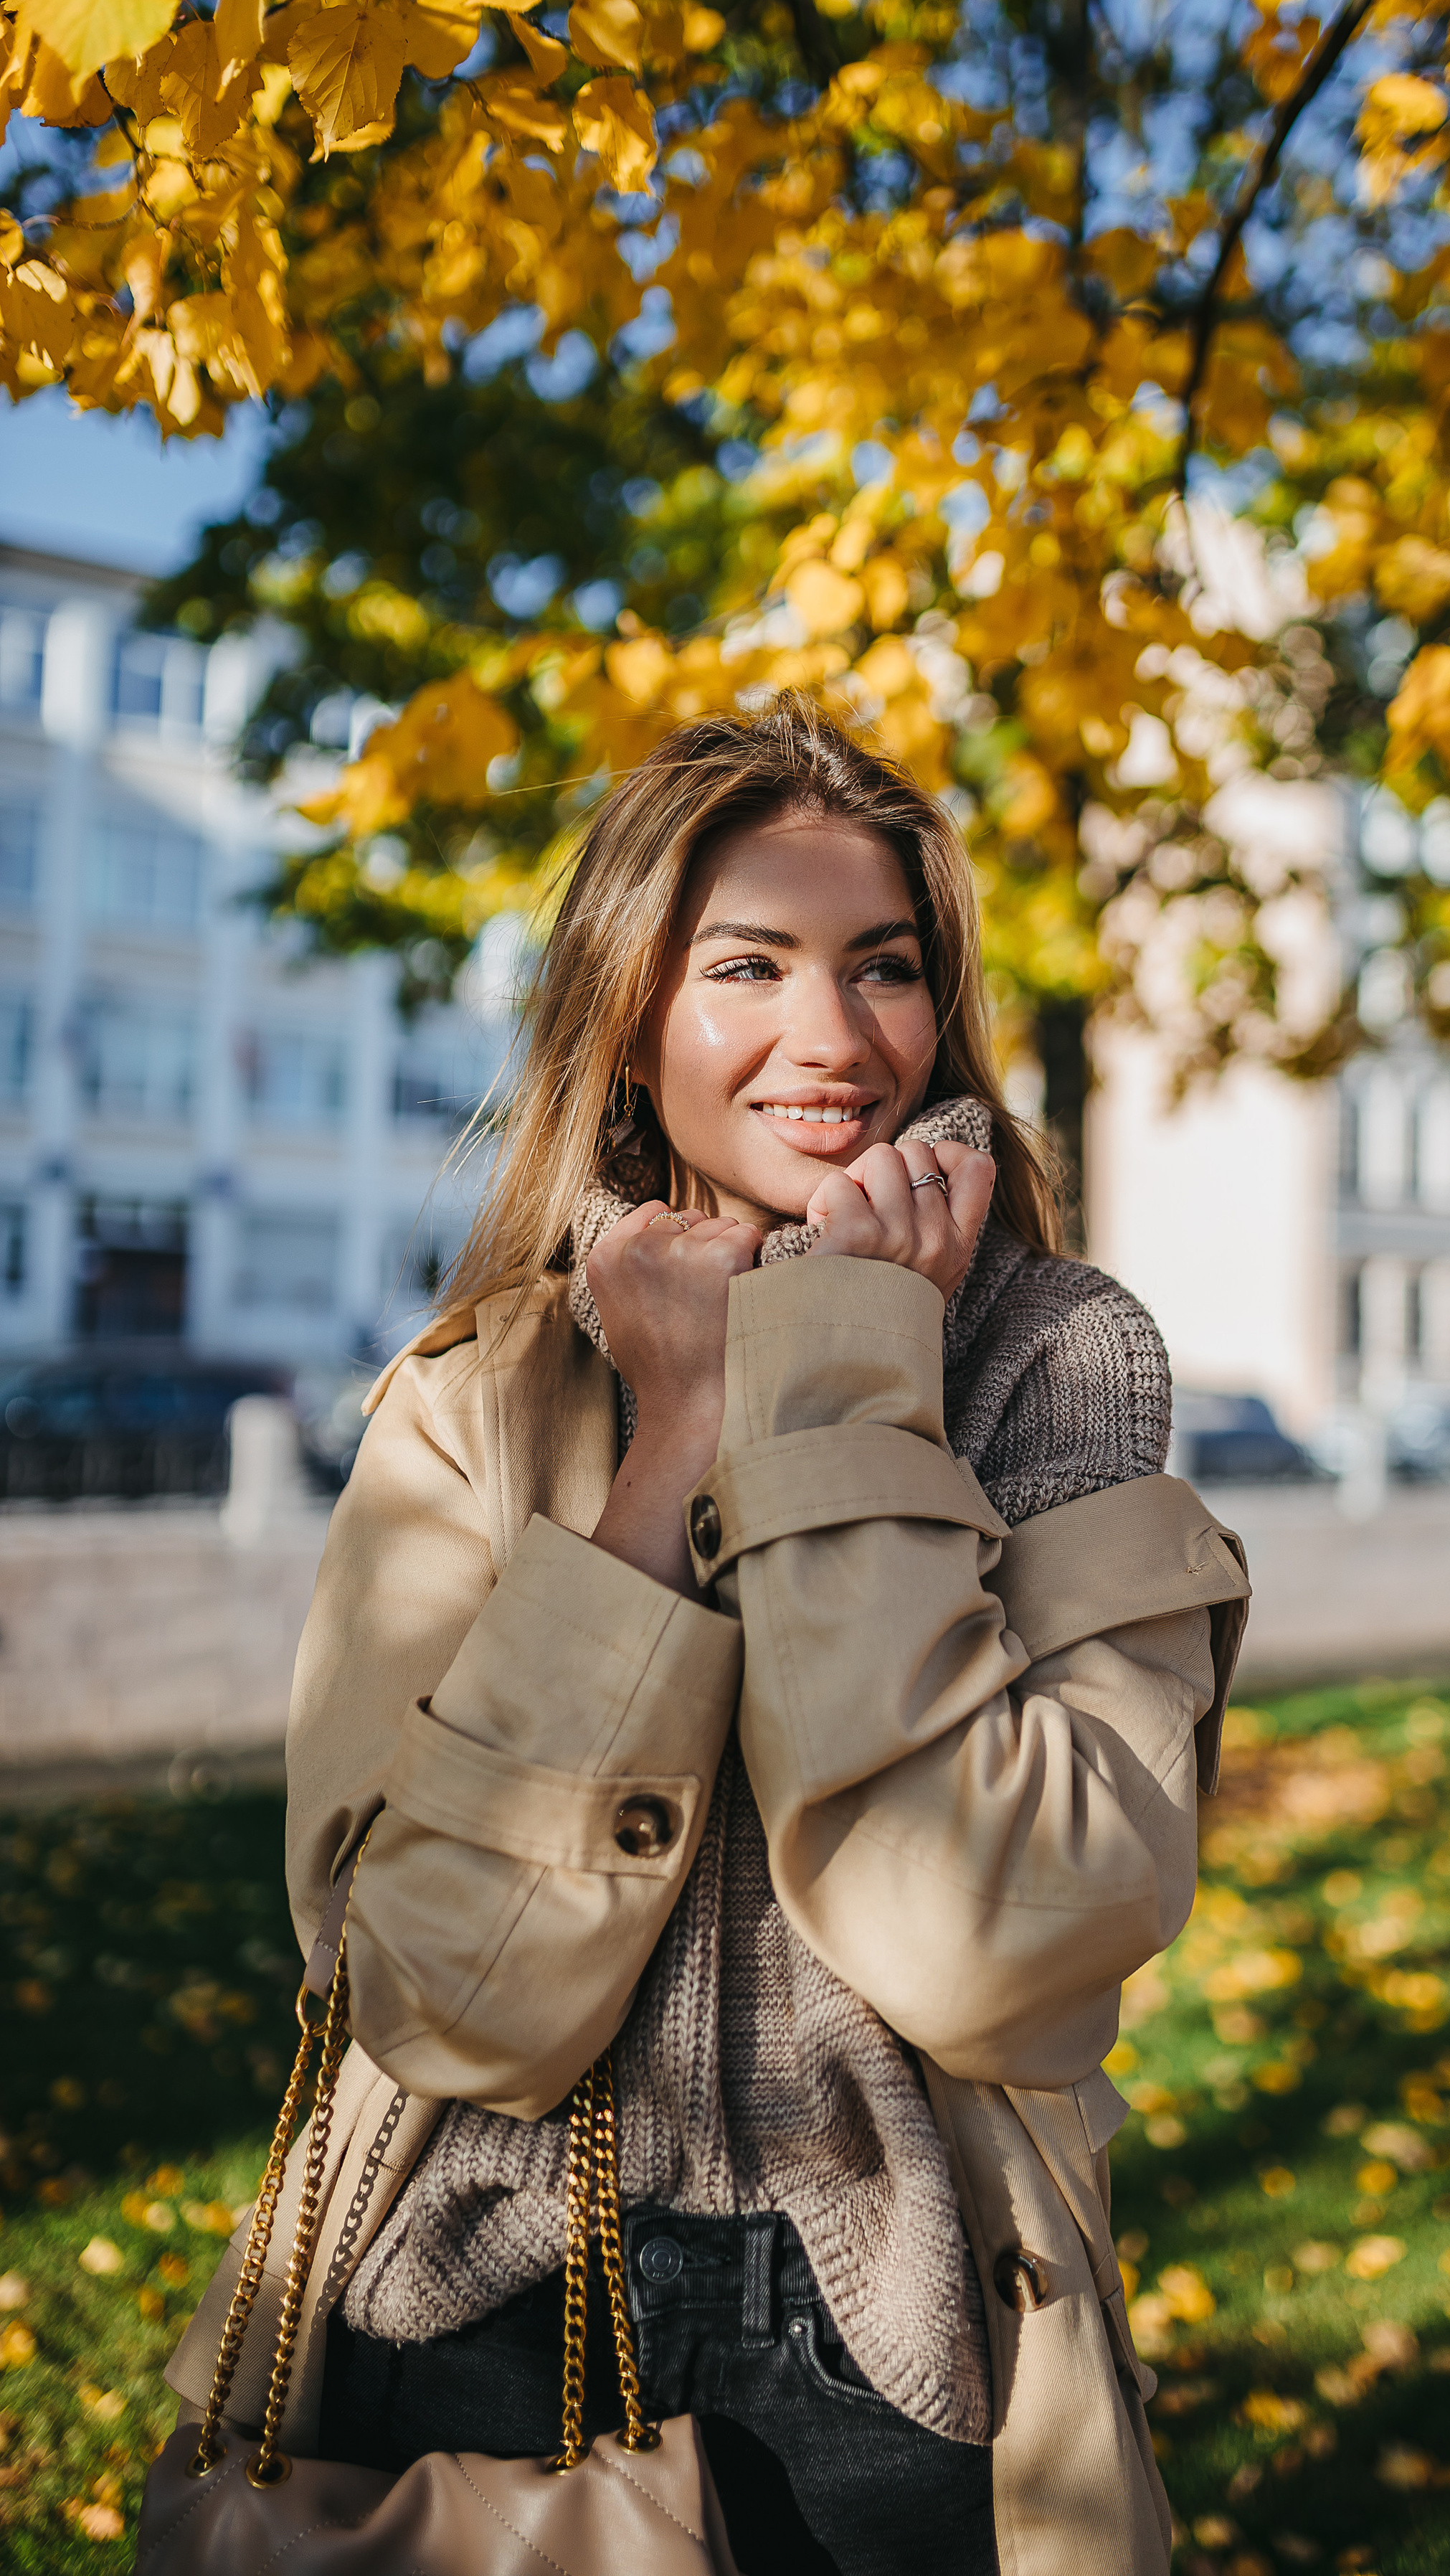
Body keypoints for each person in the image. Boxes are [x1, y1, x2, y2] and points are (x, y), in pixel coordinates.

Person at [167, 702, 1248, 2576]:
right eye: (747, 966)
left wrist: (843, 1381)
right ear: (626, 1012)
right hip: (474, 2301)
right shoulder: (476, 1399)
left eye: (886, 969)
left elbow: (1006, 1940)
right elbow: (436, 1993)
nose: (835, 1042)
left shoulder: (1063, 1355)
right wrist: (671, 1437)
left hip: (898, 2333)